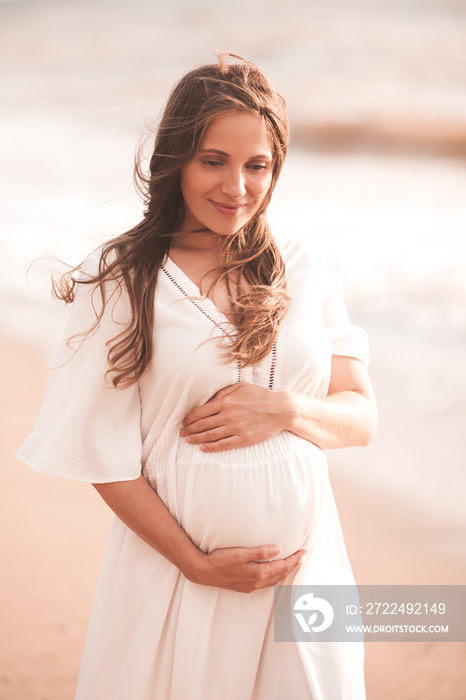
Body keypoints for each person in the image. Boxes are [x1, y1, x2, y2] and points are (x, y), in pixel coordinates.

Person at [18, 52, 377, 699]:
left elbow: (360, 415)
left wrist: (287, 410)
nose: (236, 186)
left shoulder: (301, 266)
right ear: (176, 158)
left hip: (306, 581)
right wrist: (198, 565)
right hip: (178, 580)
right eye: (214, 160)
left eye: (257, 165)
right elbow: (105, 456)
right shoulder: (125, 277)